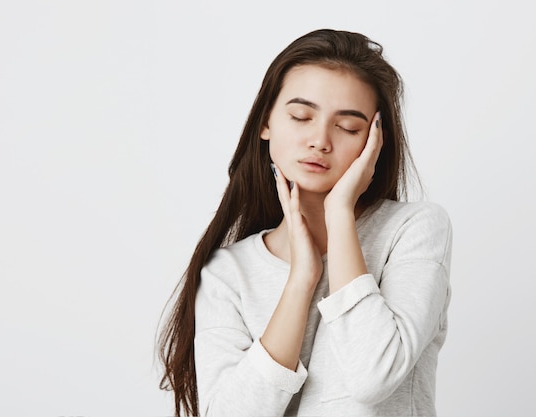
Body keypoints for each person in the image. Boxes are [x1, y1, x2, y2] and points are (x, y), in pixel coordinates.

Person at [157, 28, 452, 417]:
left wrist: (340, 214)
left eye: (347, 127)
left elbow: (373, 376)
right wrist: (302, 278)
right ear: (266, 123)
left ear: (376, 141)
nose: (320, 140)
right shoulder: (228, 273)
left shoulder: (414, 230)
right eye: (301, 116)